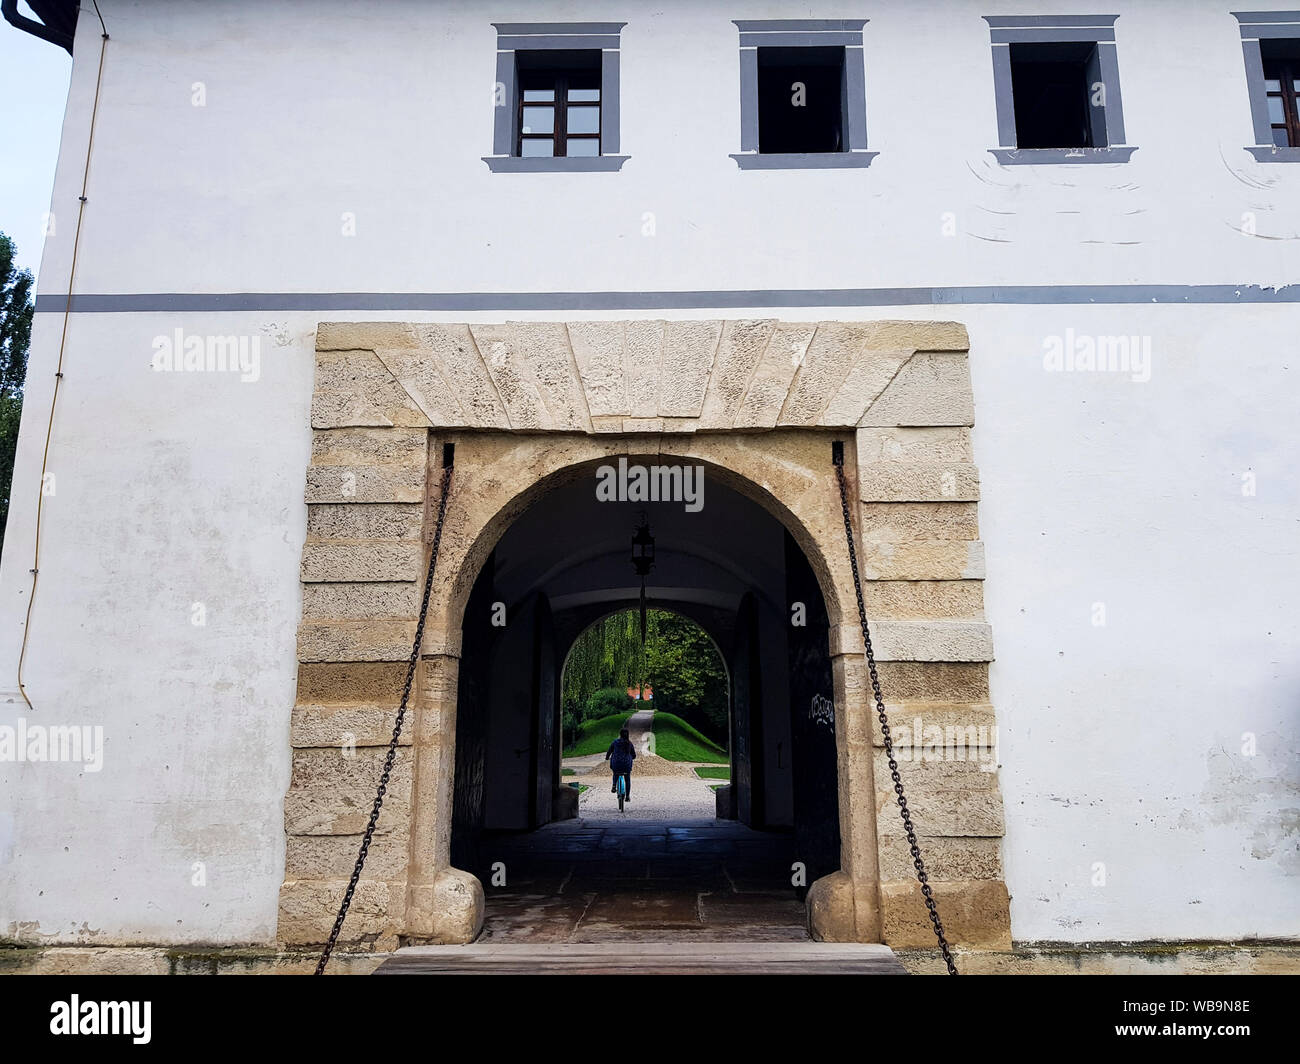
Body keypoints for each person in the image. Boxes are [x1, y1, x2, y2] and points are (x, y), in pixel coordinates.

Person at [605, 726, 636, 801]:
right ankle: (627, 796)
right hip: (626, 765)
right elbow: (634, 755)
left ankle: (614, 785)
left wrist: (607, 757)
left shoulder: (615, 742)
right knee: (627, 779)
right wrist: (631, 758)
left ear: (620, 734)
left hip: (616, 764)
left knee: (615, 772)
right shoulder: (629, 743)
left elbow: (609, 751)